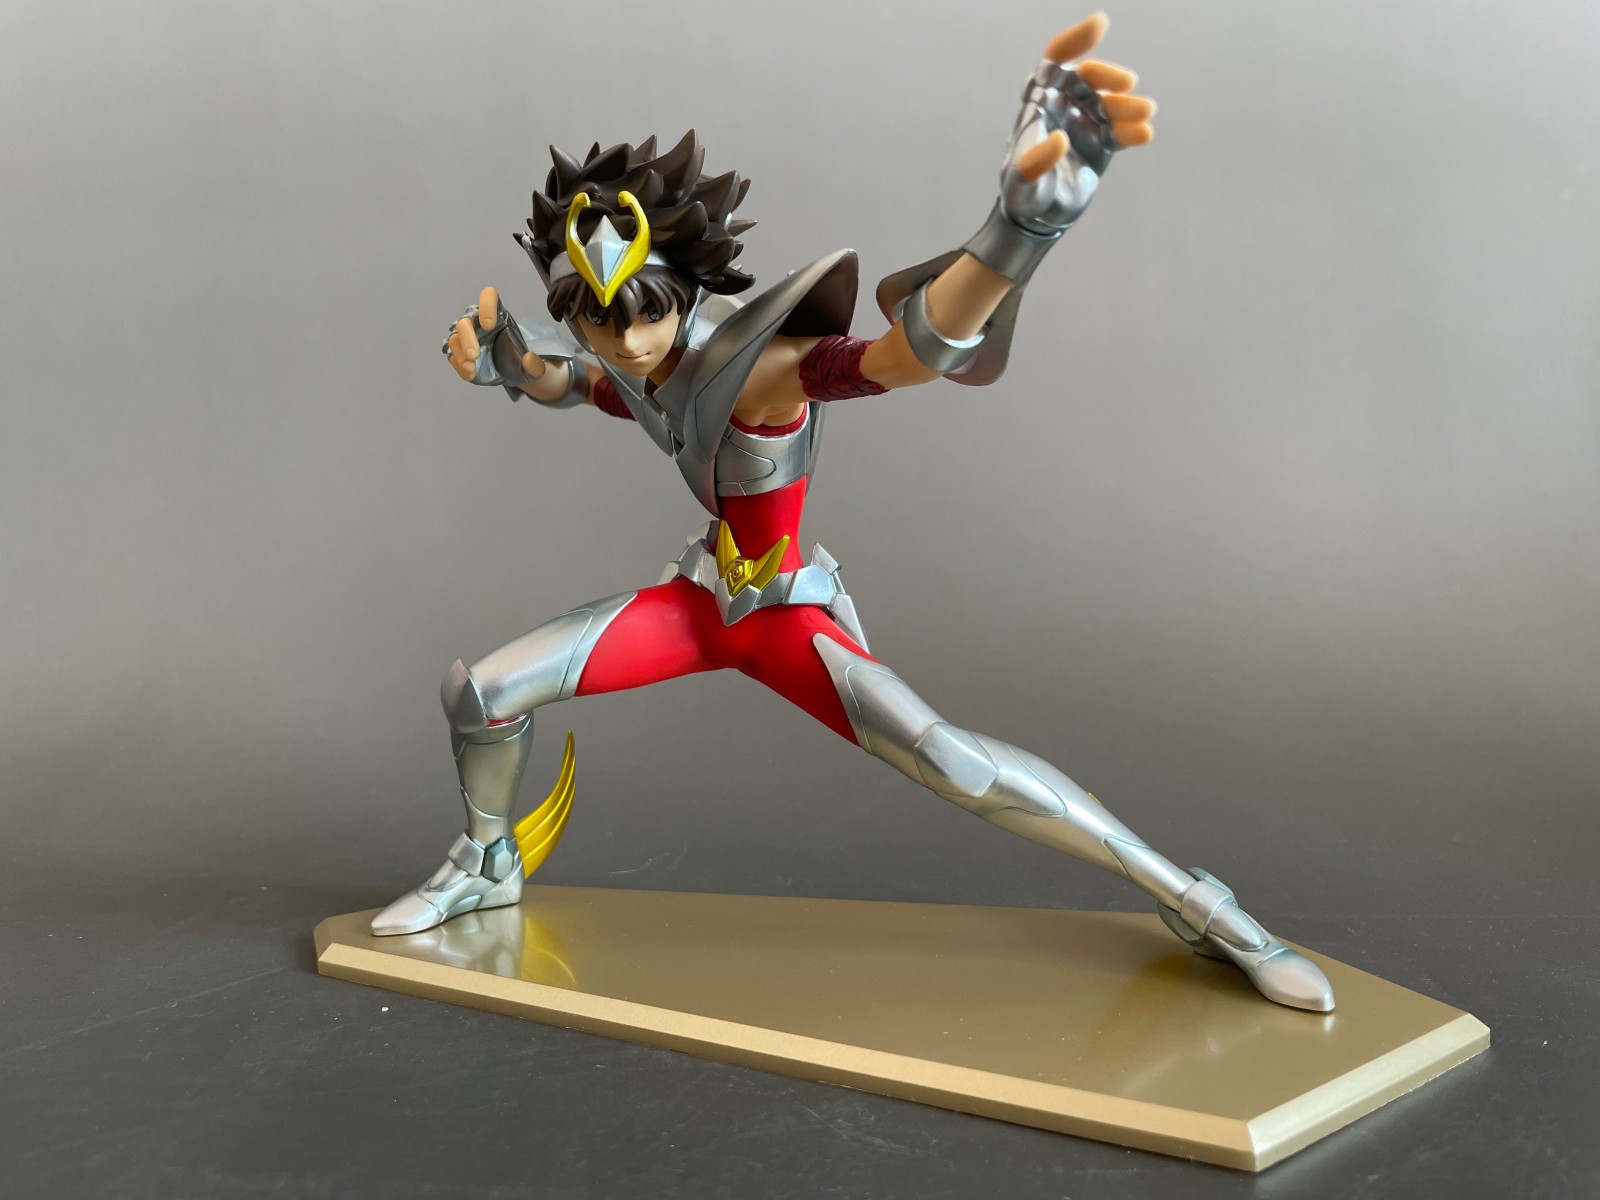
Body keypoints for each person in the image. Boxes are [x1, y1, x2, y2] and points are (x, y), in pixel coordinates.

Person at [372, 14, 1335, 1013]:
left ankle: (1201, 904)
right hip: (700, 607)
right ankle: (486, 864)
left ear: (684, 292)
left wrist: (1018, 232)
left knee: (952, 760)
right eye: (595, 319)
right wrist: (512, 366)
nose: (625, 341)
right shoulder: (637, 364)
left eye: (643, 314)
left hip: (785, 620)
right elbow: (584, 382)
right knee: (481, 694)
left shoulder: (758, 371)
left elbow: (900, 359)